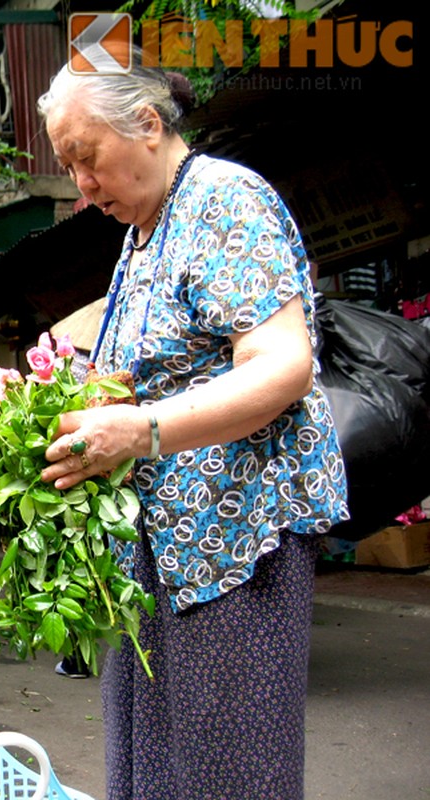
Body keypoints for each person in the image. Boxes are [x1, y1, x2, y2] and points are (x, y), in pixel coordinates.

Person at [36, 56, 349, 799]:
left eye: (86, 158)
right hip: (159, 549)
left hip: (230, 539)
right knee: (156, 756)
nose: (80, 184)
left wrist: (137, 432)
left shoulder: (223, 200)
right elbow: (149, 367)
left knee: (225, 764)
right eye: (67, 166)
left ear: (146, 124)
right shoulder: (144, 228)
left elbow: (281, 366)